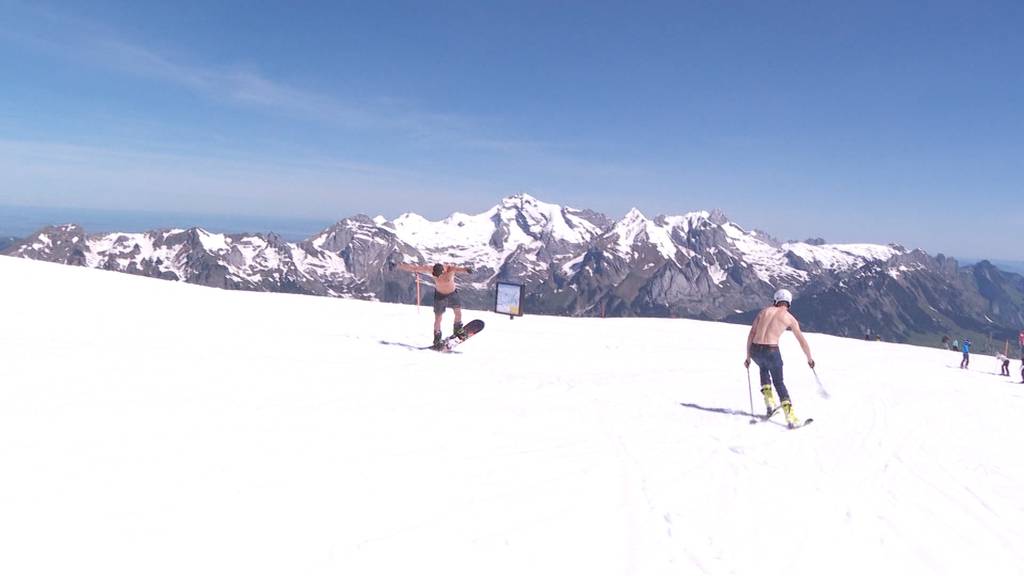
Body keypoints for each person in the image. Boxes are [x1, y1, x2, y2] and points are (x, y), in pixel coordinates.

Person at [744, 288, 815, 428]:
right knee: (779, 382)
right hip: (772, 350)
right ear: (788, 303)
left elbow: (752, 333)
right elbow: (802, 341)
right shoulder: (790, 318)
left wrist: (748, 356)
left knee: (763, 368)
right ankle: (791, 417)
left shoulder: (763, 312)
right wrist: (809, 359)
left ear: (776, 301)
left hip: (755, 350)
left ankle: (769, 403)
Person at [398, 262, 473, 349]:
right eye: (435, 275)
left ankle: (458, 329)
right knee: (438, 317)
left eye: (438, 275)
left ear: (443, 271)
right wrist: (398, 265)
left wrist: (467, 270)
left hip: (452, 293)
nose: (436, 277)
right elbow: (415, 267)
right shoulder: (430, 268)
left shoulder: (450, 269)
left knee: (458, 312)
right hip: (440, 295)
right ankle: (437, 338)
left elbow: (460, 269)